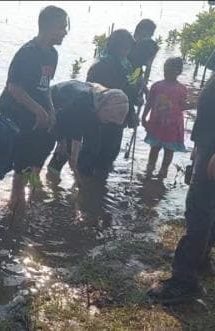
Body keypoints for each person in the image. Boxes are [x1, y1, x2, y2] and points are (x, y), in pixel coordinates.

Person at [148, 74, 215, 304]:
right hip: (207, 141)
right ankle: (201, 258)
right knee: (206, 206)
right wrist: (199, 143)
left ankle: (184, 280)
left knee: (199, 209)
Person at [0, 5, 69, 209]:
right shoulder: (27, 53)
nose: (65, 32)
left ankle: (20, 202)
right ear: (48, 27)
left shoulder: (52, 54)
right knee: (17, 162)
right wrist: (38, 110)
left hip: (38, 115)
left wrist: (50, 110)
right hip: (15, 113)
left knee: (31, 161)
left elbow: (45, 87)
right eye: (62, 27)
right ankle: (14, 204)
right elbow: (14, 88)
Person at [79, 29, 135, 178]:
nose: (126, 52)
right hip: (99, 117)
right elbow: (90, 91)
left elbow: (129, 91)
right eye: (124, 48)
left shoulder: (126, 65)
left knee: (110, 151)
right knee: (91, 150)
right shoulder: (101, 65)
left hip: (118, 117)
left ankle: (99, 181)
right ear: (115, 47)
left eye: (128, 48)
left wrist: (132, 112)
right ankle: (84, 185)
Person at [46, 81, 130, 177]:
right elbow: (68, 127)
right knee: (64, 151)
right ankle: (52, 176)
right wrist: (67, 148)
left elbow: (92, 138)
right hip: (57, 106)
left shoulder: (107, 101)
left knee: (93, 148)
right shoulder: (83, 101)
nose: (108, 123)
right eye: (109, 118)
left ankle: (83, 179)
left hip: (85, 113)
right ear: (105, 109)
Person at [142, 57, 195, 178]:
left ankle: (163, 171)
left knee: (168, 151)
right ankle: (149, 169)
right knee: (154, 148)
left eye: (170, 70)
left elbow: (181, 106)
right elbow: (149, 102)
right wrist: (143, 117)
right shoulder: (156, 86)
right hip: (157, 123)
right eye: (165, 69)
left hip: (172, 126)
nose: (166, 72)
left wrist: (193, 105)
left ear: (178, 72)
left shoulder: (182, 89)